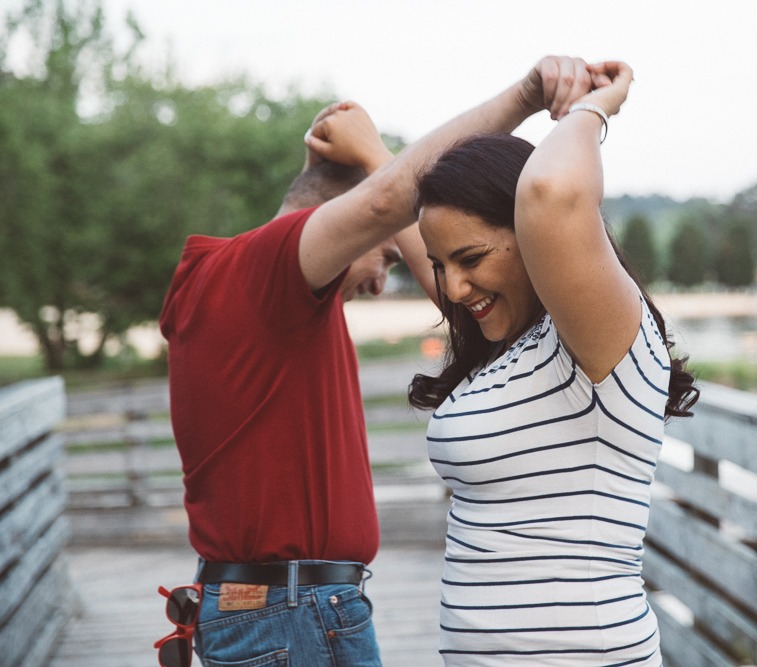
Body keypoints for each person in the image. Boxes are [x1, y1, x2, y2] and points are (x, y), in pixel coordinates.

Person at [158, 56, 596, 667]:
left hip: (281, 611)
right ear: (336, 221)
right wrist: (524, 97)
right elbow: (384, 202)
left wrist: (373, 165)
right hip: (289, 614)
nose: (383, 284)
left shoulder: (267, 303)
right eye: (388, 258)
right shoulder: (258, 276)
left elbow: (444, 284)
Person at [408, 61, 699, 665]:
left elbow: (549, 193)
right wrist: (371, 157)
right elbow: (411, 209)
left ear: (533, 237)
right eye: (442, 267)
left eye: (471, 258)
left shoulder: (594, 347)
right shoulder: (508, 346)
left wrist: (593, 107)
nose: (455, 289)